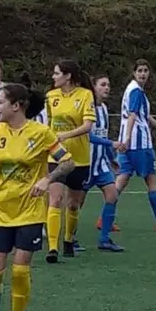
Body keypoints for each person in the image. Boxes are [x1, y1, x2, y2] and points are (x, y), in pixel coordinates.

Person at [0, 83, 74, 311]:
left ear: (16, 105)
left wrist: (48, 179)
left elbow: (68, 162)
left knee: (21, 270)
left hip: (29, 211)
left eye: (0, 101)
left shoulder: (41, 133)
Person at [114, 59, 156, 232]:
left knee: (121, 180)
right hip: (139, 144)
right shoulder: (136, 91)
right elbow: (133, 115)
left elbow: (145, 116)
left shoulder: (131, 90)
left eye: (145, 70)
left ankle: (104, 218)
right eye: (140, 71)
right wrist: (129, 138)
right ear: (134, 73)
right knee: (151, 180)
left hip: (127, 143)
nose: (143, 74)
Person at [44, 60, 96, 263]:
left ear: (68, 76)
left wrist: (66, 135)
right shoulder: (51, 96)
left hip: (79, 159)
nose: (53, 77)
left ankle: (68, 240)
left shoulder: (85, 95)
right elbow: (48, 124)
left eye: (56, 73)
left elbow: (88, 126)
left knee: (73, 205)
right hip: (56, 156)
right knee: (55, 199)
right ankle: (53, 247)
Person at [85, 75, 125, 252]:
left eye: (108, 85)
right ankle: (69, 239)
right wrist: (111, 144)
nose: (107, 88)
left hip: (101, 164)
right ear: (94, 88)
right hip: (86, 164)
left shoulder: (104, 109)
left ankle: (104, 239)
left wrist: (111, 158)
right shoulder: (88, 109)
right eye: (103, 85)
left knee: (112, 196)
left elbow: (103, 135)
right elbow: (88, 137)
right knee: (74, 204)